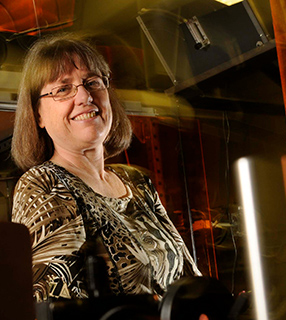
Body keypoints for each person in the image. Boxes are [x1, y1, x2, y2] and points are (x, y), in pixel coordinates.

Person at [11, 33, 200, 301]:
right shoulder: (43, 184)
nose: (85, 96)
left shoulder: (136, 183)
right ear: (38, 114)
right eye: (63, 89)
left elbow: (187, 275)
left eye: (92, 82)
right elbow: (60, 308)